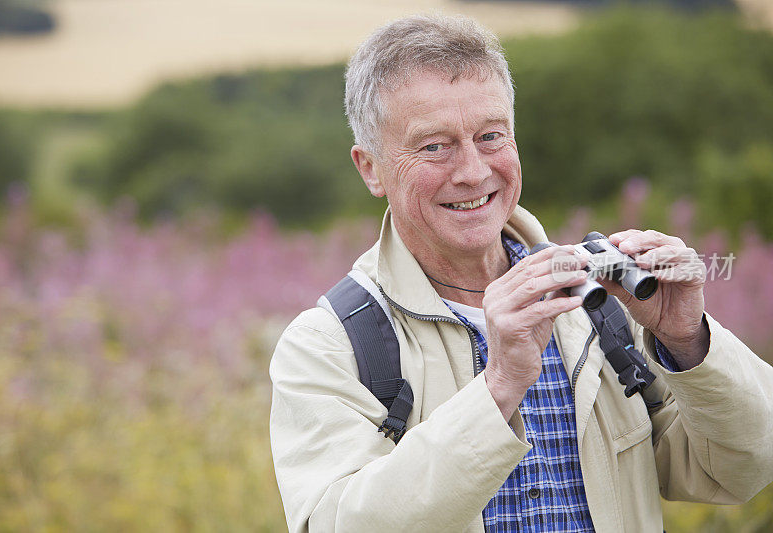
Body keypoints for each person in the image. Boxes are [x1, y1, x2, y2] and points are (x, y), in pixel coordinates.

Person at [269, 14, 773, 532]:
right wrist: (499, 388)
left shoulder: (600, 306)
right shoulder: (328, 345)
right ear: (370, 167)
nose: (471, 171)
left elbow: (741, 470)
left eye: (490, 136)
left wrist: (689, 340)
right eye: (433, 146)